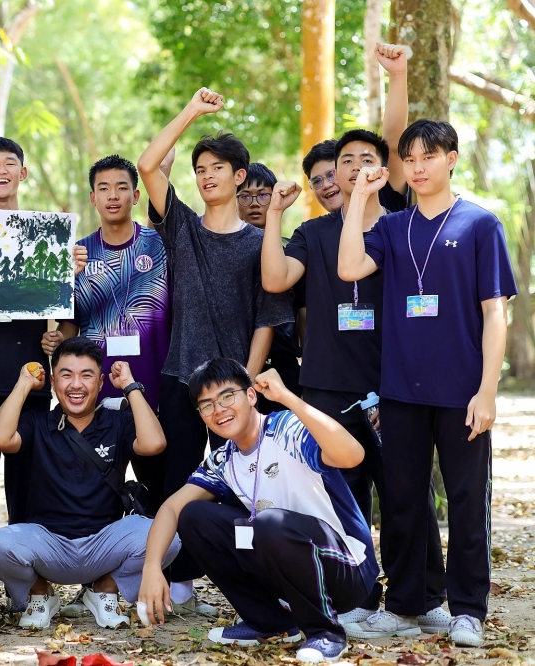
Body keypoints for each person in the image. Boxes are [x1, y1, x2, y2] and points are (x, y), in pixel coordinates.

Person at [262, 43, 449, 633]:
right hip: (325, 386)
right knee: (341, 495)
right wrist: (274, 215)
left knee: (405, 493)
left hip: (392, 384)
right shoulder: (314, 232)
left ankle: (426, 596)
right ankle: (359, 595)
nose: (354, 168)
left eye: (366, 159)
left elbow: (395, 141)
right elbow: (275, 280)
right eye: (344, 162)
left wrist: (397, 75)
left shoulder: (396, 218)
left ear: (380, 169)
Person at [337, 119, 516, 647]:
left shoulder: (480, 224)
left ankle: (468, 610)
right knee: (403, 503)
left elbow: (495, 313)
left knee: (465, 501)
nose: (417, 168)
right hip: (401, 392)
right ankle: (405, 605)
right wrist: (358, 197)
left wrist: (487, 391)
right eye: (409, 159)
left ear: (451, 159)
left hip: (462, 393)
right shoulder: (394, 226)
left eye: (428, 157)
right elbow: (349, 266)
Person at [137, 88, 292, 609]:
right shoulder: (181, 227)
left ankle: (264, 581)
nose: (206, 176)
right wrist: (192, 111)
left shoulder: (260, 244)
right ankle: (178, 578)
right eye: (200, 169)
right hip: (182, 375)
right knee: (182, 480)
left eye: (217, 168)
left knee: (252, 484)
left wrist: (243, 385)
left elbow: (267, 319)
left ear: (240, 177)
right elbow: (148, 165)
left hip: (238, 387)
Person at [139, 360, 378, 663]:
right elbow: (171, 508)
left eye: (228, 396)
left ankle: (326, 633)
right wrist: (152, 567)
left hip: (348, 569)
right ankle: (271, 623)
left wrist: (287, 397)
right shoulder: (223, 460)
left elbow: (353, 455)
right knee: (194, 517)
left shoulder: (287, 429)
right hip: (287, 565)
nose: (219, 409)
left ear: (251, 395)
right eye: (207, 405)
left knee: (269, 522)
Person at [0, 137, 87, 622]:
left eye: (10, 163)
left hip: (30, 382)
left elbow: (67, 325)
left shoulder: (45, 236)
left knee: (26, 488)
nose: (1, 170)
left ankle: (27, 585)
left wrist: (59, 334)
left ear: (23, 174)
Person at [0, 337, 178, 629]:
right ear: (53, 382)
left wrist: (130, 385)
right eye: (66, 375)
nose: (76, 385)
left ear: (100, 383)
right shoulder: (38, 423)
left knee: (169, 538)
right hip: (47, 545)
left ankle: (104, 589)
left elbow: (154, 444)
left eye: (86, 375)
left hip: (104, 544)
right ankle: (40, 593)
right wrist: (24, 383)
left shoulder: (117, 421)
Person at [41, 154, 170, 511]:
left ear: (136, 195)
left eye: (121, 188)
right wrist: (58, 339)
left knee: (159, 489)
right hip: (94, 395)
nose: (113, 195)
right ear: (93, 197)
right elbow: (68, 325)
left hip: (156, 387)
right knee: (96, 492)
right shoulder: (76, 256)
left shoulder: (160, 246)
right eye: (104, 188)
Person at [236, 162, 302, 413]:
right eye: (245, 196)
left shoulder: (292, 251)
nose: (254, 203)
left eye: (263, 195)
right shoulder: (226, 252)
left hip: (283, 365)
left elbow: (304, 312)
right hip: (237, 361)